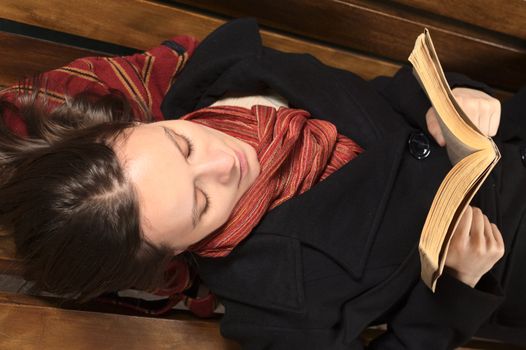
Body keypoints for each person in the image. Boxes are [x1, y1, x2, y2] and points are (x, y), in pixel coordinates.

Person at [0, 18, 525, 349]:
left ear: (134, 123)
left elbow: (380, 99)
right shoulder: (275, 306)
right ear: (175, 254)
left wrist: (442, 104)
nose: (225, 163)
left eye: (182, 146)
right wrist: (455, 290)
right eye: (201, 203)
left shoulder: (234, 76)